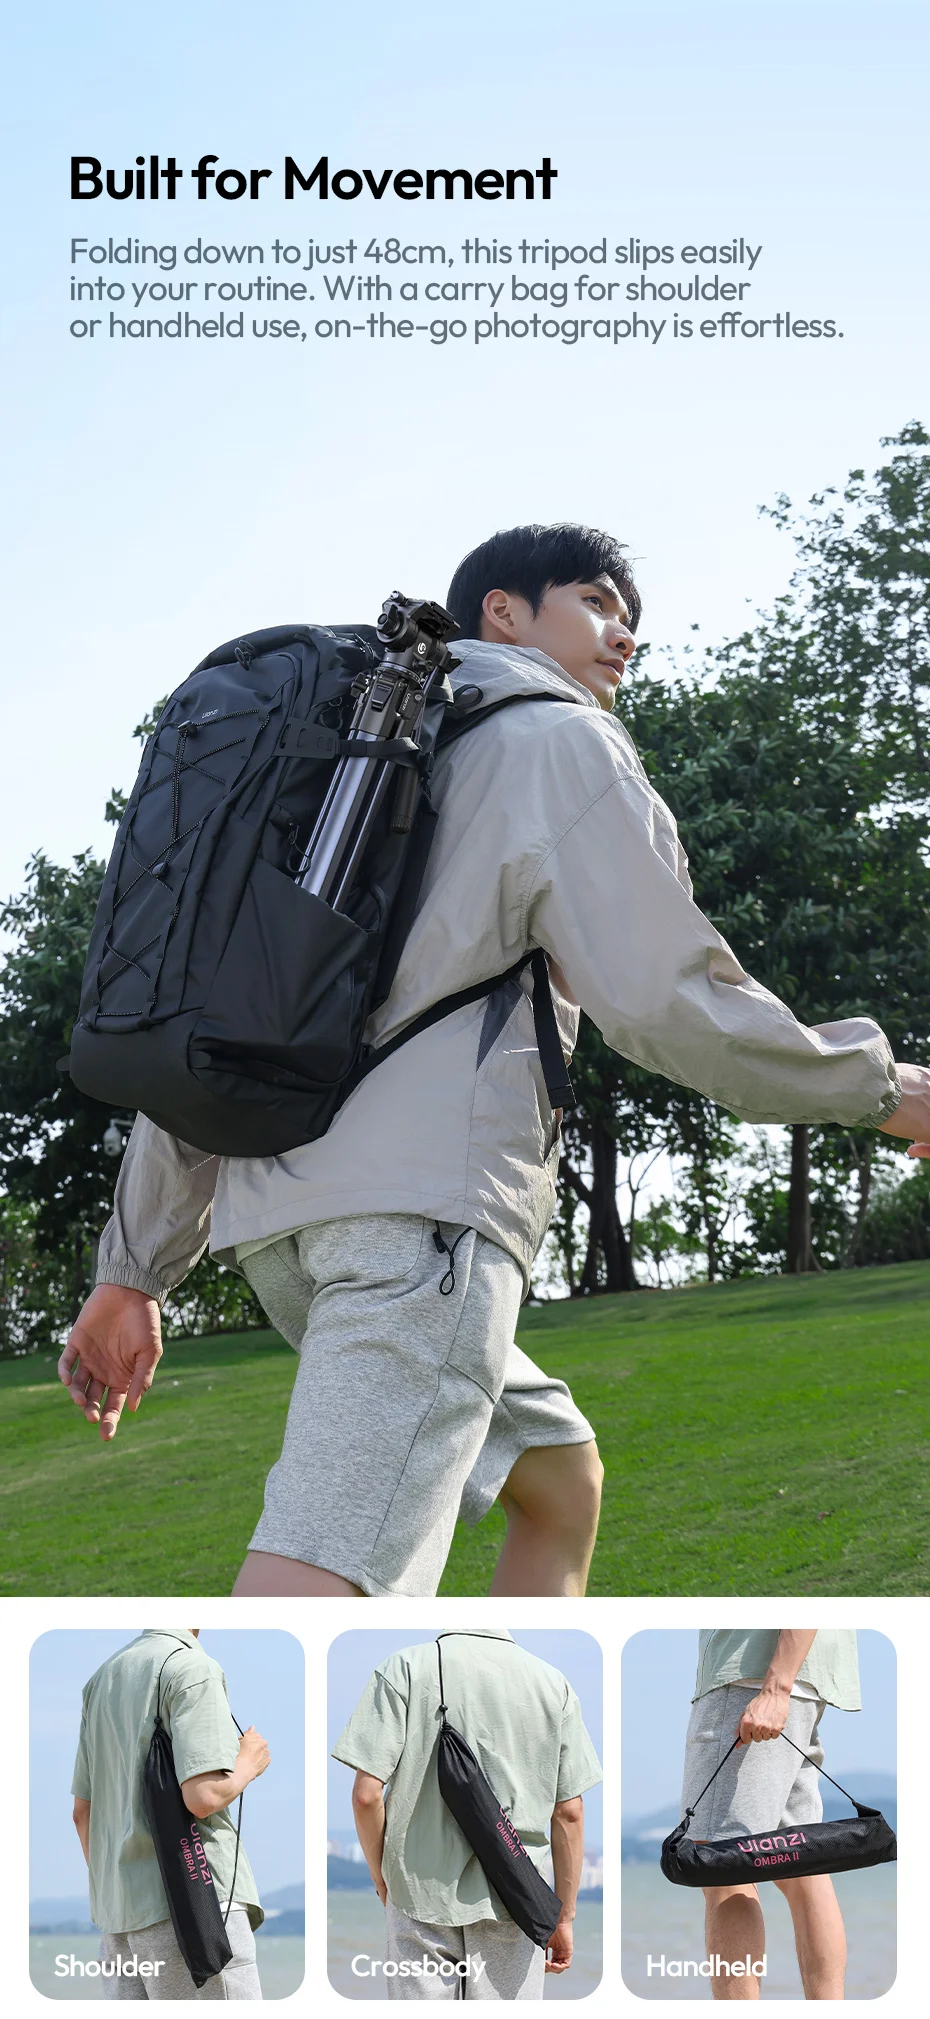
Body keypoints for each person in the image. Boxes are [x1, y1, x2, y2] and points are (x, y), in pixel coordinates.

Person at [58, 523, 930, 1599]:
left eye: (632, 620)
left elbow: (214, 1024)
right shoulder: (558, 744)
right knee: (321, 1589)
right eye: (598, 603)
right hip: (421, 1231)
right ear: (503, 612)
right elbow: (669, 1001)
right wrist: (885, 1090)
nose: (625, 636)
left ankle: (504, 1694)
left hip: (283, 1231)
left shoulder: (338, 761)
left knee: (561, 1479)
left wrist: (132, 1270)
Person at [332, 1627, 601, 2000]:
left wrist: (382, 1879)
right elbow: (569, 1812)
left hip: (417, 1893)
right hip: (516, 1899)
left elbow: (366, 1796)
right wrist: (563, 1917)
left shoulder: (404, 1668)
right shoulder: (554, 1685)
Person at [71, 1627, 269, 2001]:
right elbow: (204, 1796)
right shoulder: (191, 1667)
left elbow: (83, 1813)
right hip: (194, 1906)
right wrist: (249, 1762)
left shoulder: (100, 1681)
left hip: (118, 1923)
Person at [682, 1629, 861, 2001]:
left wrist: (776, 1688)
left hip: (754, 1675)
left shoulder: (765, 1683)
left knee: (721, 1863)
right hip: (800, 1677)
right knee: (802, 1867)